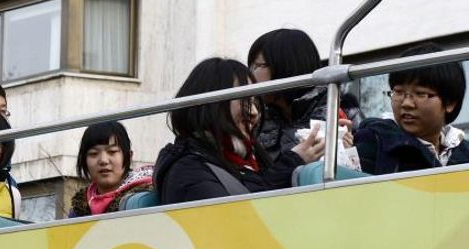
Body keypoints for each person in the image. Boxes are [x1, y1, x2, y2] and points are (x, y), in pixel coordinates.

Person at [154, 58, 323, 204]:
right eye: (244, 100)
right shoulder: (187, 169)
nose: (254, 113)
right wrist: (291, 163)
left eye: (255, 102)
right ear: (211, 104)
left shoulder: (244, 158)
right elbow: (240, 217)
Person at [354, 42, 469, 175]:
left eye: (420, 94)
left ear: (450, 103)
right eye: (398, 92)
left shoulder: (464, 152)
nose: (407, 103)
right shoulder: (374, 141)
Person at [247, 28, 351, 165]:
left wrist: (348, 151)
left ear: (285, 66)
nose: (249, 76)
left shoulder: (338, 110)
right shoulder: (257, 120)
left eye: (257, 66)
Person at [69, 121, 152, 216]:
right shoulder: (78, 210)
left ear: (129, 156)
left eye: (112, 152)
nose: (103, 160)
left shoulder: (146, 199)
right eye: (93, 154)